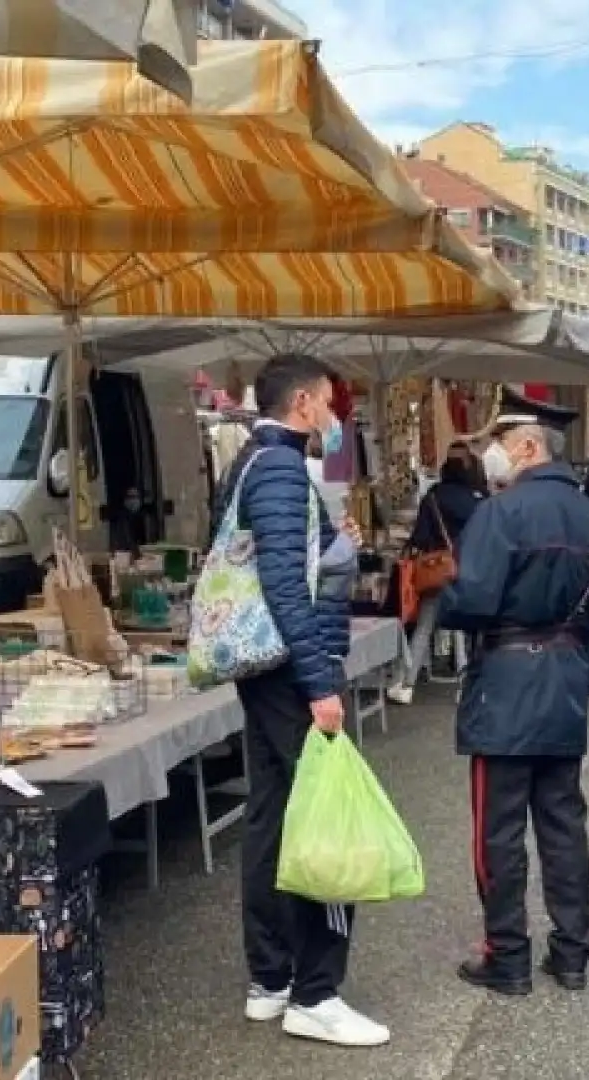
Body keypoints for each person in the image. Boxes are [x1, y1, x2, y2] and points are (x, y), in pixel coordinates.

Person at [439, 397, 589, 997]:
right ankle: (571, 954)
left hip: (507, 682)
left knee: (499, 830)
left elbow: (470, 602)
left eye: (501, 438)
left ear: (527, 447)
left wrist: (446, 588)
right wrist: (573, 676)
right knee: (564, 824)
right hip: (564, 681)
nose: (492, 450)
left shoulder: (502, 512)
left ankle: (508, 956)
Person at [231, 355, 386, 1046]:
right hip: (295, 671)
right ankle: (317, 992)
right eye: (328, 404)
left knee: (270, 817)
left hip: (267, 670)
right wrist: (322, 684)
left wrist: (334, 547)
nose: (334, 417)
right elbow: (285, 587)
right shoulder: (280, 467)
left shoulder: (250, 462)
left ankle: (270, 979)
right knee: (332, 820)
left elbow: (286, 562)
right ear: (301, 403)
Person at [387, 454, 485, 705]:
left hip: (438, 571)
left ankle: (407, 685)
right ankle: (466, 684)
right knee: (467, 629)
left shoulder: (433, 496)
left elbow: (420, 536)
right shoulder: (479, 499)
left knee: (424, 627)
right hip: (469, 570)